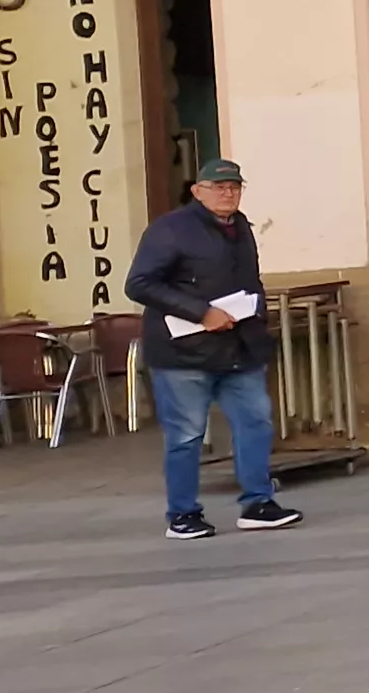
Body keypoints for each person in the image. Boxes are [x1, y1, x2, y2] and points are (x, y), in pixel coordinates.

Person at [126, 158, 298, 539]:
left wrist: (256, 321)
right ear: (197, 191)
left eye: (234, 186)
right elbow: (138, 284)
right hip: (183, 352)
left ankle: (258, 503)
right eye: (219, 187)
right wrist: (202, 312)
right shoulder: (170, 230)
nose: (228, 192)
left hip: (239, 348)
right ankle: (183, 514)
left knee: (255, 424)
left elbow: (251, 281)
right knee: (186, 435)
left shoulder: (240, 228)